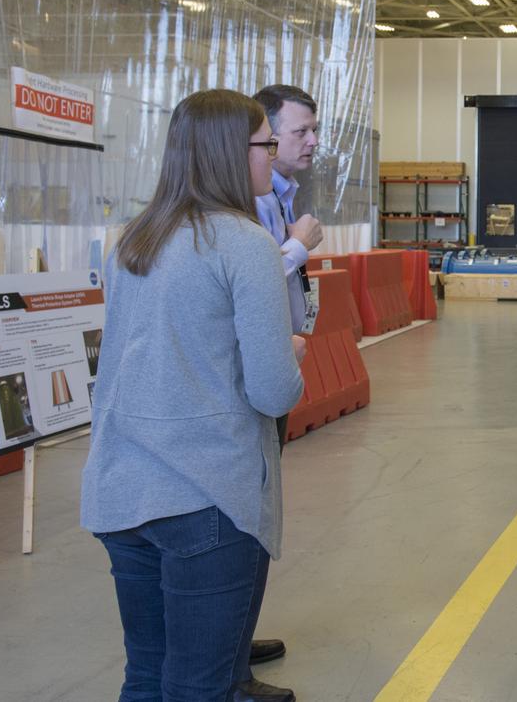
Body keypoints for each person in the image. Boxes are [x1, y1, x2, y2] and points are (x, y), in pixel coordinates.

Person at [80, 89, 306, 702]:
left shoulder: (132, 239)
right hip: (204, 496)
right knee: (198, 686)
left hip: (122, 490)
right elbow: (273, 391)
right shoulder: (243, 243)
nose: (272, 155)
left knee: (147, 676)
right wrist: (292, 354)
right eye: (265, 143)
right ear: (236, 152)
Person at [248, 84, 324, 688]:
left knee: (261, 507)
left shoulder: (279, 196)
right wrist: (297, 247)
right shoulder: (245, 205)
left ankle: (234, 634)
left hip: (279, 364)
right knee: (245, 508)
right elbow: (245, 286)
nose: (311, 142)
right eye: (300, 132)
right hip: (253, 379)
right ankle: (224, 652)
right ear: (264, 138)